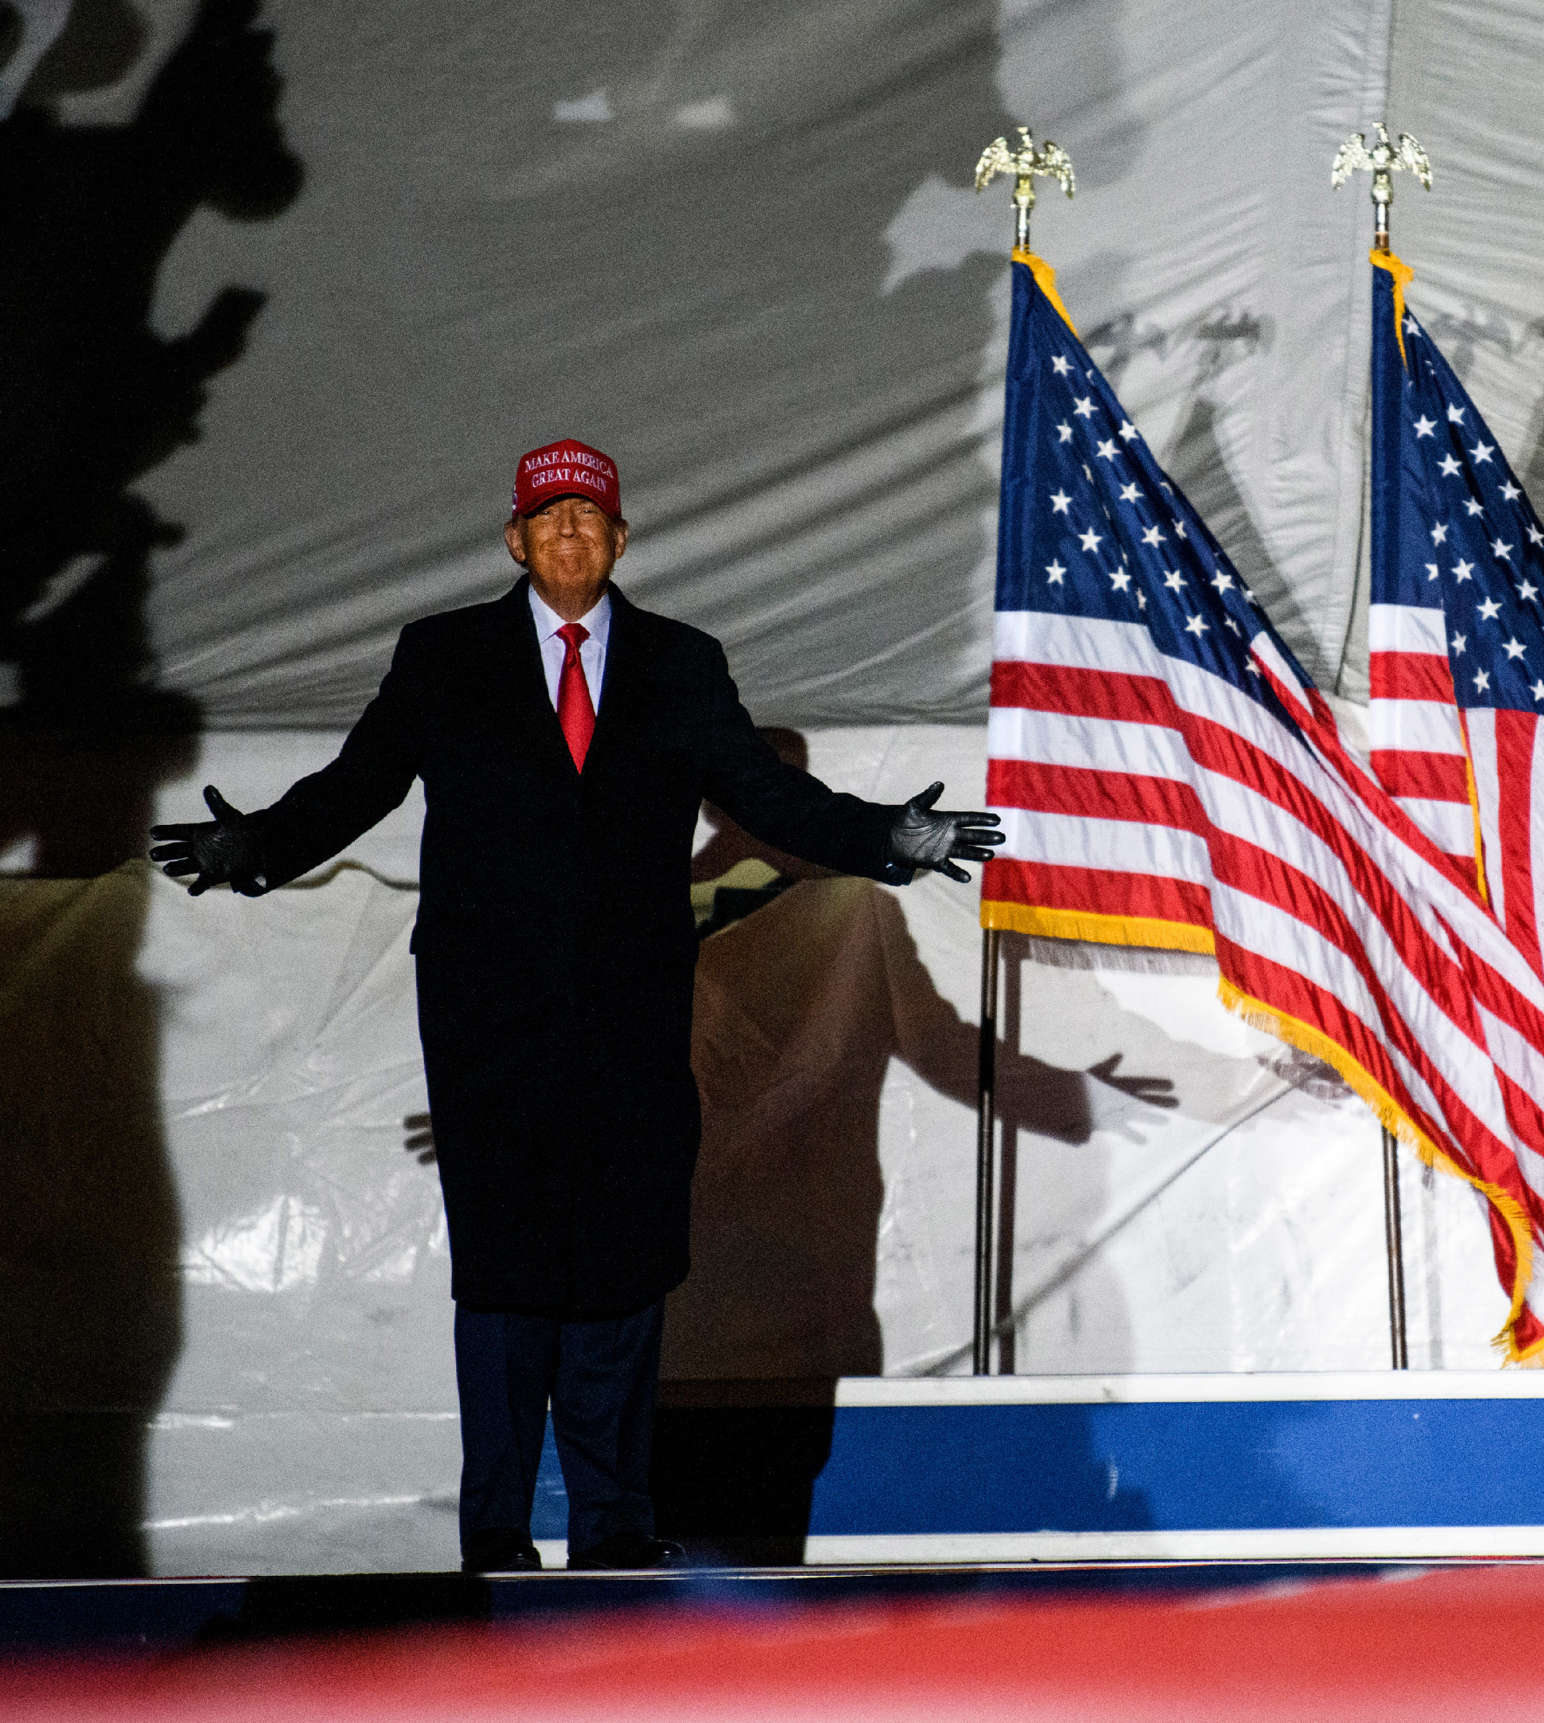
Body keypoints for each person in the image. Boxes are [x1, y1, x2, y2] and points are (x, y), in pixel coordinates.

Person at [148, 439, 1001, 1573]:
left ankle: (613, 1528)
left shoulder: (681, 664)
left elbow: (766, 795)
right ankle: (496, 1533)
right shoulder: (443, 656)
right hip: (487, 1029)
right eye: (547, 520)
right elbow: (356, 785)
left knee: (620, 1269)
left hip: (631, 1028)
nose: (567, 536)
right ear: (515, 538)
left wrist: (886, 836)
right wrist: (255, 845)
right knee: (506, 1275)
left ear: (620, 540)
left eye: (588, 520)